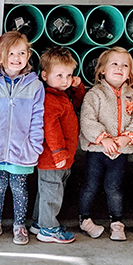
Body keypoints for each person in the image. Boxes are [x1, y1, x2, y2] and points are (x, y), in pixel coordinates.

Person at [0, 31, 44, 246]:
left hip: (22, 150)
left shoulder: (35, 86)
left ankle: (19, 225)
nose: (16, 58)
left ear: (28, 55)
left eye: (22, 53)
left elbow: (37, 118)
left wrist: (34, 145)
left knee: (18, 186)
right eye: (11, 53)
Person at [78, 47, 133, 242]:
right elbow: (87, 120)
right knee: (90, 185)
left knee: (114, 188)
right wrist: (103, 138)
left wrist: (128, 137)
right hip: (98, 150)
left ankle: (116, 222)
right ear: (102, 71)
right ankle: (85, 219)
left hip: (120, 151)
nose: (119, 68)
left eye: (125, 65)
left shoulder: (132, 95)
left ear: (130, 73)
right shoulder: (95, 94)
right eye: (114, 64)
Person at [31, 47, 84, 245]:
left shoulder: (64, 94)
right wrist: (59, 152)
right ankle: (48, 229)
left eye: (69, 75)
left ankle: (39, 222)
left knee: (47, 192)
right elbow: (50, 128)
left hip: (61, 156)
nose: (65, 80)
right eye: (59, 75)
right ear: (44, 75)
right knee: (52, 193)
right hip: (53, 157)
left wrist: (77, 87)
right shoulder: (50, 99)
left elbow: (79, 102)